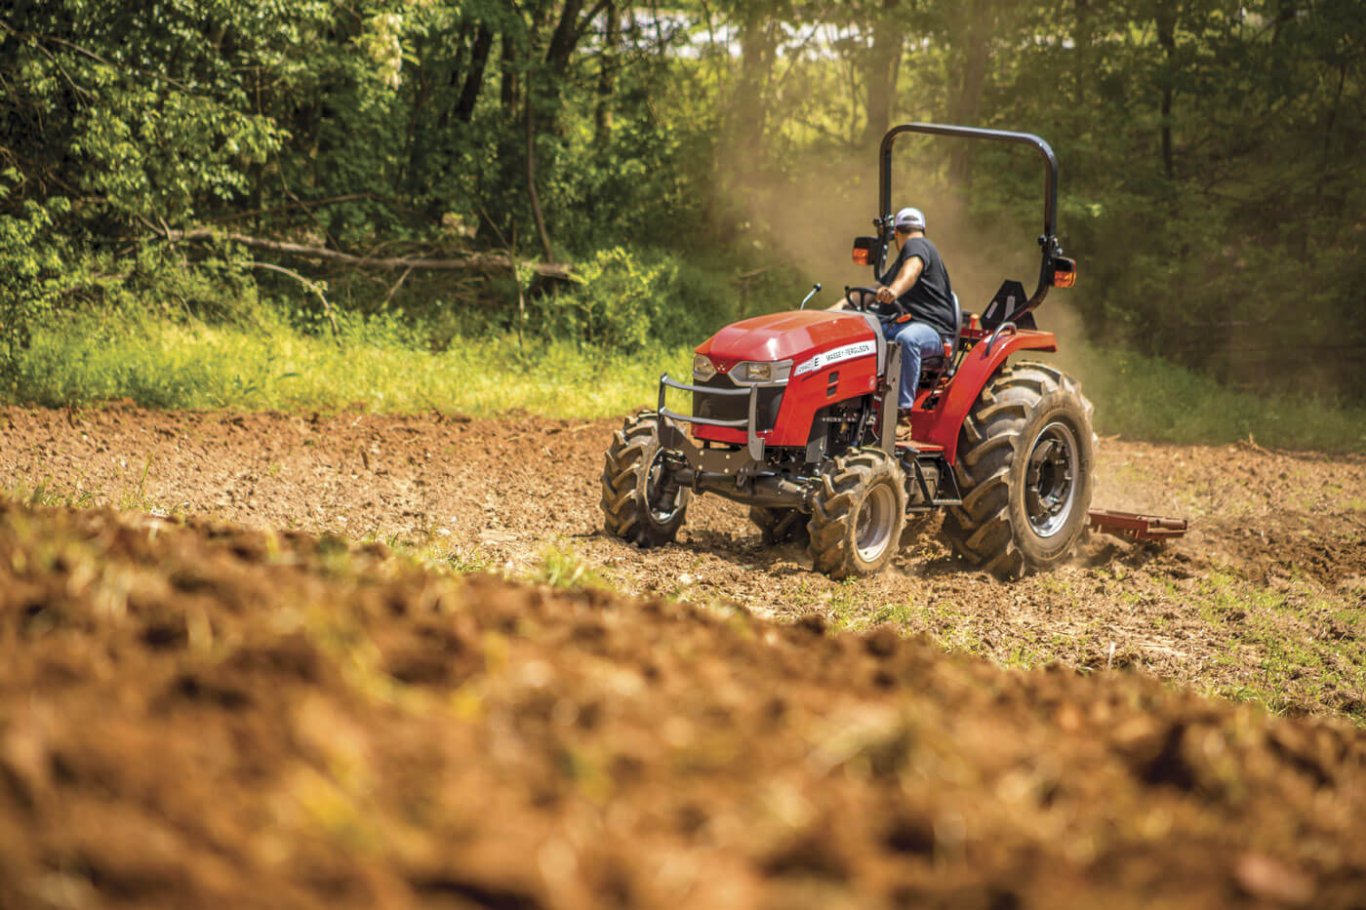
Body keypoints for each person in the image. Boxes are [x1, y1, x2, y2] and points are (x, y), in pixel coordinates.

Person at [831, 206, 957, 442]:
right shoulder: (901, 263)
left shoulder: (917, 246)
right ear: (923, 228)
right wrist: (833, 311)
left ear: (896, 234)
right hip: (899, 323)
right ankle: (850, 407)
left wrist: (894, 291)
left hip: (932, 332)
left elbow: (911, 271)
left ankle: (902, 416)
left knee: (906, 340)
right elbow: (868, 293)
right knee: (857, 331)